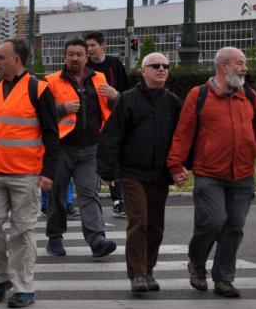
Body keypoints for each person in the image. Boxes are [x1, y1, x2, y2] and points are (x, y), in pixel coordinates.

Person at [168, 46, 256, 298]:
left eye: (244, 63)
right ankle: (197, 263)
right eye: (240, 63)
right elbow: (183, 133)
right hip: (210, 174)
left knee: (234, 227)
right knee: (212, 221)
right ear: (224, 66)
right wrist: (176, 166)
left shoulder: (249, 95)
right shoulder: (198, 95)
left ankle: (224, 279)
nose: (245, 68)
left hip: (243, 174)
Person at [0, 39, 58, 308]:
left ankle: (23, 286)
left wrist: (48, 172)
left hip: (26, 173)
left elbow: (51, 134)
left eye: (1, 57)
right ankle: (0, 278)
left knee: (23, 231)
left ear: (17, 60)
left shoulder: (39, 89)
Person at [98, 53, 182, 293]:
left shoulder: (173, 102)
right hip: (132, 172)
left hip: (160, 174)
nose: (161, 70)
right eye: (155, 66)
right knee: (139, 221)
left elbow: (183, 137)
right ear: (143, 71)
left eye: (165, 66)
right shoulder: (128, 100)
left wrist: (181, 166)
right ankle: (136, 273)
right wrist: (108, 169)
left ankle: (148, 270)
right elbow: (112, 136)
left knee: (155, 225)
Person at [44, 38, 118, 259]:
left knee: (89, 193)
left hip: (91, 148)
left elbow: (115, 109)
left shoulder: (100, 79)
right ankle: (55, 237)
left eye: (79, 54)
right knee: (56, 195)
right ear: (64, 56)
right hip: (61, 148)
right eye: (71, 54)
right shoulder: (51, 81)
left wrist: (116, 97)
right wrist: (62, 108)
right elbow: (43, 112)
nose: (75, 58)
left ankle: (97, 239)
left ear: (87, 57)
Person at [85, 30, 130, 217]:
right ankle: (91, 198)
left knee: (114, 158)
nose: (89, 50)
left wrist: (115, 95)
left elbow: (126, 92)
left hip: (113, 118)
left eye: (93, 46)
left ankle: (118, 200)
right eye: (86, 46)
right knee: (93, 160)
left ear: (103, 45)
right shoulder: (84, 66)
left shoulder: (114, 64)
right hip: (92, 120)